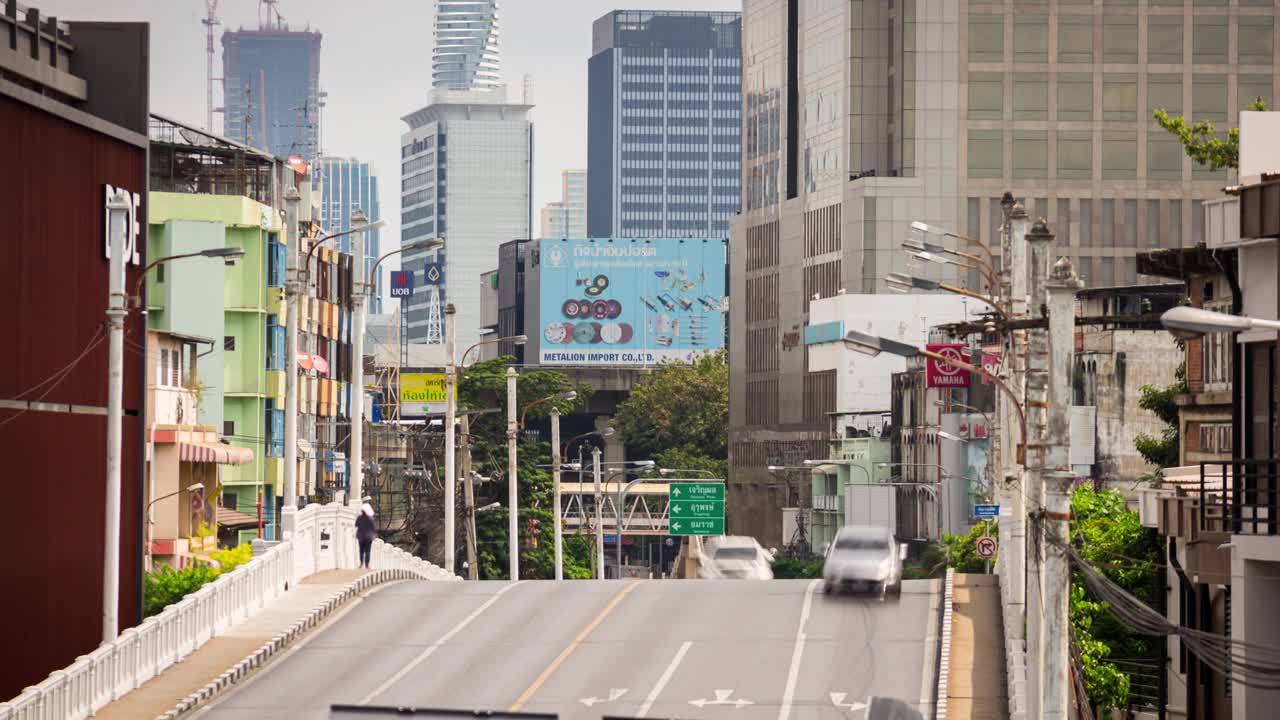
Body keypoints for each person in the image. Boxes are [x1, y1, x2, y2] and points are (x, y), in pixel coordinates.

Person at [356, 503, 376, 569]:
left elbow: (356, 524)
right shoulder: (371, 519)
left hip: (361, 537)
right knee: (368, 551)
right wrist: (374, 535)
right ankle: (367, 565)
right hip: (368, 537)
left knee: (361, 551)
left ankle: (361, 564)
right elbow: (374, 528)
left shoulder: (359, 518)